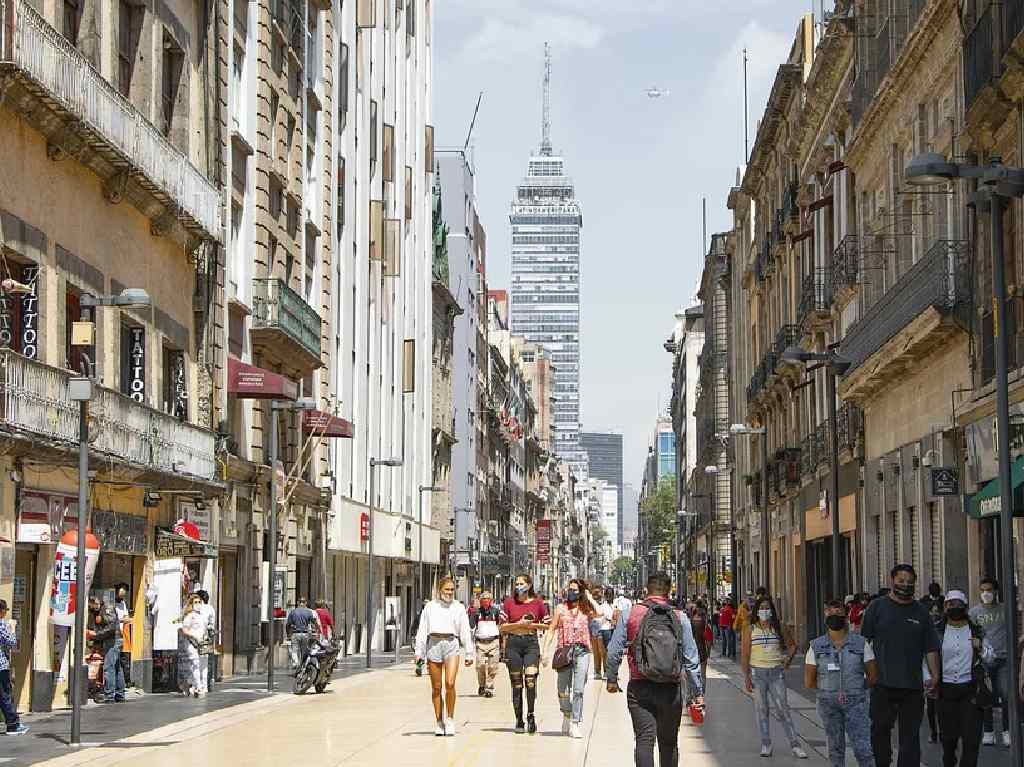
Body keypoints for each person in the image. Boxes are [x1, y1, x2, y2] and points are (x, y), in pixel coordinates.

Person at [606, 572, 704, 767]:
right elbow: (691, 659)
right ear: (669, 591)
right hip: (671, 688)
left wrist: (611, 678)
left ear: (646, 590)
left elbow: (614, 650)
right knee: (668, 743)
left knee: (644, 740)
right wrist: (697, 693)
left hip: (640, 686)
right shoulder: (679, 616)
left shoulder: (631, 614)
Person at [861, 564, 941, 767]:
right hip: (882, 683)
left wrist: (935, 676)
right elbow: (863, 644)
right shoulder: (877, 607)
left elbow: (930, 647)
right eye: (901, 581)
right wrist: (863, 675)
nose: (905, 585)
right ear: (892, 581)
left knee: (910, 738)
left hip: (912, 686)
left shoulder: (921, 612)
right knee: (879, 730)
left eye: (909, 582)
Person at [805, 599, 877, 767]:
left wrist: (855, 688)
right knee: (835, 750)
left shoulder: (861, 643)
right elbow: (809, 681)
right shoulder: (816, 646)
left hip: (856, 704)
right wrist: (827, 689)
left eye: (838, 613)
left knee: (863, 749)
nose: (834, 616)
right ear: (825, 616)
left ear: (845, 616)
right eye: (830, 613)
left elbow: (873, 676)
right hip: (828, 704)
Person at [741, 594, 807, 758]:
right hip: (758, 674)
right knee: (761, 710)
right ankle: (766, 743)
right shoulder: (750, 629)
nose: (764, 610)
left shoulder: (779, 627)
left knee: (783, 710)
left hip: (776, 673)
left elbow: (793, 646)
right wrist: (747, 676)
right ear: (757, 611)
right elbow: (745, 654)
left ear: (772, 611)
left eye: (767, 608)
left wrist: (787, 662)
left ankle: (795, 745)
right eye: (761, 608)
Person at [934, 589, 992, 767]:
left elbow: (991, 656)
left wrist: (981, 647)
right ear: (945, 607)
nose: (955, 608)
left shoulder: (976, 630)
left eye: (959, 605)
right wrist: (929, 680)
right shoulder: (938, 631)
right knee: (949, 741)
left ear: (965, 607)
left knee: (971, 740)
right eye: (951, 604)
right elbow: (928, 658)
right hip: (946, 691)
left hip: (970, 690)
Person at [413, 577, 474, 736]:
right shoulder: (430, 607)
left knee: (450, 683)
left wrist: (469, 652)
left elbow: (465, 630)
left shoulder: (459, 607)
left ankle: (450, 719)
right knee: (436, 687)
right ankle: (439, 722)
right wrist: (419, 652)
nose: (449, 593)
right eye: (447, 589)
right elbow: (422, 629)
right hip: (434, 644)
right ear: (440, 590)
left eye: (452, 590)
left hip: (451, 644)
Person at [543, 578, 600, 738]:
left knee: (579, 690)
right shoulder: (560, 608)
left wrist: (588, 597)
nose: (571, 592)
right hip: (564, 651)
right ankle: (566, 714)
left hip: (582, 651)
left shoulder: (586, 609)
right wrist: (545, 651)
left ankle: (575, 722)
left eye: (575, 590)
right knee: (563, 689)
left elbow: (600, 612)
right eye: (570, 589)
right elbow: (551, 629)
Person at [500, 573, 548, 734]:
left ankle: (531, 714)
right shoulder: (508, 603)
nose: (518, 586)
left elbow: (547, 625)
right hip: (513, 644)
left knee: (530, 679)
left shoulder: (538, 603)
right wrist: (518, 624)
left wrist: (531, 625)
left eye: (521, 583)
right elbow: (502, 627)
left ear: (529, 585)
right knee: (517, 684)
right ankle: (519, 719)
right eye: (517, 583)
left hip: (530, 644)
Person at [970, 577, 1011, 746]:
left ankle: (1007, 730)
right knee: (985, 696)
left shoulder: (1005, 609)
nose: (986, 593)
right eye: (983, 590)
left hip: (1004, 660)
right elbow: (971, 636)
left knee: (1006, 695)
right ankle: (988, 731)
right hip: (984, 661)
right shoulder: (973, 613)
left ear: (996, 591)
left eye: (989, 590)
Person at [87, 596, 124, 703]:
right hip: (111, 640)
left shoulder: (107, 609)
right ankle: (119, 694)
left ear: (94, 603)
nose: (90, 608)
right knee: (117, 667)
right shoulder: (98, 611)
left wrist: (96, 635)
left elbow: (111, 628)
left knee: (109, 667)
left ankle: (109, 695)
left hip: (113, 641)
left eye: (90, 605)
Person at [0, 600, 28, 735]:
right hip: (1, 666)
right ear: (2, 611)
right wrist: (11, 628)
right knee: (5, 695)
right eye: (5, 610)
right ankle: (13, 725)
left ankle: (13, 723)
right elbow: (11, 642)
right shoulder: (2, 625)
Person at [469, 590, 500, 698]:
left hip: (493, 641)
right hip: (480, 643)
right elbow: (471, 625)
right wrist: (473, 613)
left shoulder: (496, 612)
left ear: (491, 601)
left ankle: (489, 688)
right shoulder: (476, 612)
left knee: (493, 666)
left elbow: (500, 625)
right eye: (483, 600)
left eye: (488, 600)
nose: (486, 602)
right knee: (480, 665)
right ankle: (482, 685)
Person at [175, 594, 206, 697]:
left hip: (199, 644)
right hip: (190, 643)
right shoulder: (190, 616)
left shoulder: (201, 616)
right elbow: (184, 630)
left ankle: (189, 684)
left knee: (195, 666)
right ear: (191, 604)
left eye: (199, 602)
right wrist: (194, 636)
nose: (197, 604)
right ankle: (198, 687)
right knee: (195, 663)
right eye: (195, 602)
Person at [285, 597, 321, 672]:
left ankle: (296, 664)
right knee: (304, 652)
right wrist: (318, 629)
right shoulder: (308, 612)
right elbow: (313, 621)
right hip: (305, 634)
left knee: (294, 650)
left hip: (295, 634)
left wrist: (288, 634)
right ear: (305, 603)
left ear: (298, 603)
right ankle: (302, 667)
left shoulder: (293, 612)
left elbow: (288, 624)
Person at [591, 586, 615, 680]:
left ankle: (606, 671)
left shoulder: (615, 605)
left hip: (610, 631)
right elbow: (595, 617)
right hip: (599, 631)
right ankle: (598, 671)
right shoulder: (600, 607)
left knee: (607, 653)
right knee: (599, 652)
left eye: (610, 594)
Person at [195, 589, 216, 694]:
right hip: (207, 639)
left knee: (196, 663)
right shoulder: (211, 609)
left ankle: (198, 686)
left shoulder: (199, 609)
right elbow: (212, 625)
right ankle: (204, 686)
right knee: (205, 664)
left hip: (197, 639)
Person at [114, 584, 132, 688]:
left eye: (124, 594)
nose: (122, 596)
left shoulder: (123, 603)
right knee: (115, 659)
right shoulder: (112, 603)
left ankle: (126, 681)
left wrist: (127, 618)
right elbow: (113, 618)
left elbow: (125, 615)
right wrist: (122, 620)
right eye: (121, 593)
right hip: (115, 633)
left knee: (124, 658)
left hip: (123, 632)